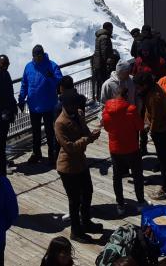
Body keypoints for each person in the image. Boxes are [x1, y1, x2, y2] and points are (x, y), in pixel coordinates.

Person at [54, 89, 103, 242]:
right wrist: (87, 139)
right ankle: (76, 231)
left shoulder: (79, 114)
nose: (78, 106)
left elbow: (85, 132)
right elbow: (69, 147)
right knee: (74, 200)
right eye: (75, 104)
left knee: (88, 191)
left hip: (80, 162)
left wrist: (91, 136)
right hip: (67, 167)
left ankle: (86, 222)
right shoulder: (60, 123)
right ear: (67, 105)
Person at [102, 86, 145, 215]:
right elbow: (140, 126)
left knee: (117, 177)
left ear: (114, 96)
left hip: (116, 150)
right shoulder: (131, 110)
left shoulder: (107, 111)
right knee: (137, 176)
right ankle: (141, 202)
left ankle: (120, 205)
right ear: (126, 97)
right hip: (131, 148)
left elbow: (107, 127)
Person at [133, 71, 166, 200]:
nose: (137, 88)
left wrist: (151, 130)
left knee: (163, 158)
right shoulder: (152, 89)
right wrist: (147, 121)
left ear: (145, 85)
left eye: (138, 86)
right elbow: (148, 111)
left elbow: (156, 118)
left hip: (161, 129)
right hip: (165, 125)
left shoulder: (154, 97)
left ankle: (165, 189)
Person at [18, 44, 63, 164]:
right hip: (33, 106)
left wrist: (50, 77)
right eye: (35, 55)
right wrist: (21, 100)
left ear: (43, 54)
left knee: (50, 131)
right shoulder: (28, 67)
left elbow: (60, 82)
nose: (37, 57)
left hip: (49, 105)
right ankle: (36, 153)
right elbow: (24, 84)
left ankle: (52, 155)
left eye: (39, 55)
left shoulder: (51, 65)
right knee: (36, 132)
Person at [92, 22, 120, 103]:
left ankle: (99, 98)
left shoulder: (99, 37)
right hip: (102, 65)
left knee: (99, 81)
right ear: (108, 28)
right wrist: (109, 59)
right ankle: (104, 99)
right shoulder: (105, 37)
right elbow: (105, 52)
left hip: (97, 63)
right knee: (104, 82)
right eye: (111, 28)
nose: (112, 30)